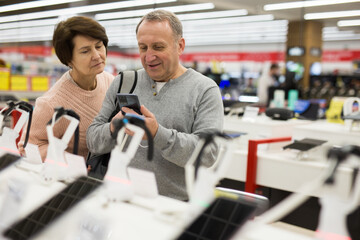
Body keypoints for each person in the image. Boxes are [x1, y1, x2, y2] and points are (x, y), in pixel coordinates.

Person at [87, 10, 224, 201]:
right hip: (120, 198)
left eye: (158, 47)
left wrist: (157, 134)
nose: (149, 57)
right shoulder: (124, 82)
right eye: (143, 48)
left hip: (173, 208)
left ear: (180, 46)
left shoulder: (204, 90)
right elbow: (92, 140)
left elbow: (208, 154)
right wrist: (113, 127)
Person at [17, 16, 114, 161]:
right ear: (68, 59)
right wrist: (70, 162)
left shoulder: (109, 81)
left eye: (99, 46)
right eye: (85, 51)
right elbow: (27, 147)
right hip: (73, 180)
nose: (96, 55)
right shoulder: (52, 103)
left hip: (107, 174)